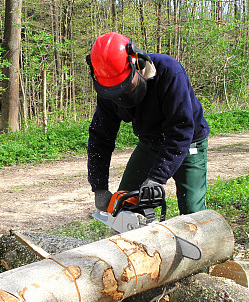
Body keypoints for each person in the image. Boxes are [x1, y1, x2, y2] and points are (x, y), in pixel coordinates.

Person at [86, 31, 209, 215]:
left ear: (138, 63)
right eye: (115, 92)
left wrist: (157, 178)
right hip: (150, 142)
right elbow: (100, 138)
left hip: (188, 141)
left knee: (192, 210)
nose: (121, 95)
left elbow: (181, 130)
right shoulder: (108, 87)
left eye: (126, 87)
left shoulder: (169, 72)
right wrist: (99, 187)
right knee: (125, 205)